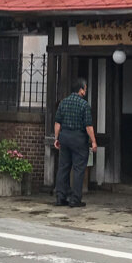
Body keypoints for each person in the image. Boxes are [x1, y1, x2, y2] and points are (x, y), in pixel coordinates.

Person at [53, 77, 97, 208]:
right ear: (81, 90)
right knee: (78, 169)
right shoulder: (84, 105)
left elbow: (57, 123)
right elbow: (88, 126)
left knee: (63, 167)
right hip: (79, 138)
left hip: (64, 137)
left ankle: (60, 197)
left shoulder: (63, 103)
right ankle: (75, 199)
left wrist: (56, 138)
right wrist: (93, 142)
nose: (86, 91)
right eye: (85, 89)